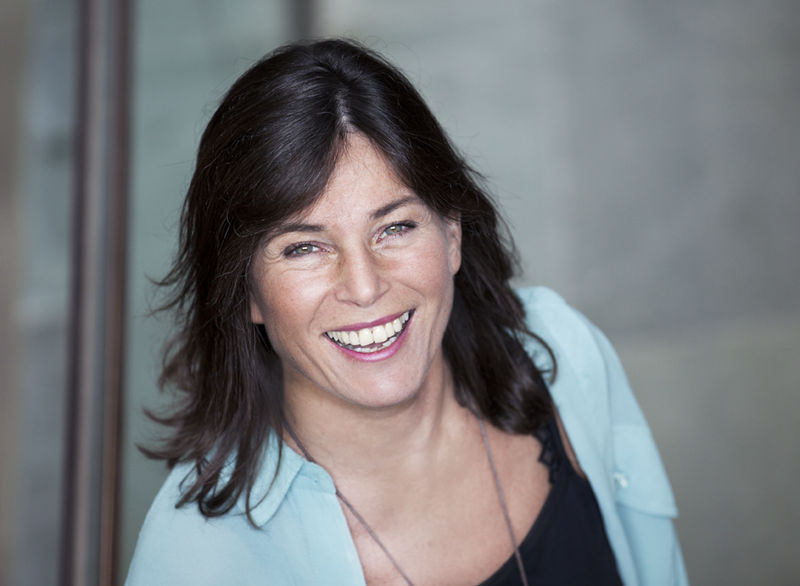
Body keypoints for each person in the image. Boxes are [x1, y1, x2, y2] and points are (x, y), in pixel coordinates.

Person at [125, 39, 688, 586]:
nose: (365, 287)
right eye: (304, 247)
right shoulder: (196, 560)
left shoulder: (562, 350)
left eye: (394, 227)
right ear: (244, 290)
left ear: (451, 234)